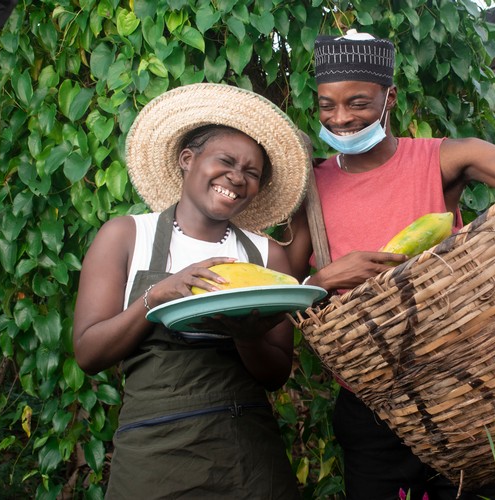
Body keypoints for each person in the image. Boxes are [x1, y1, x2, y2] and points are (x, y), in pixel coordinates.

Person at [283, 32, 495, 500]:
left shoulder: (443, 158)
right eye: (327, 105)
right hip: (371, 406)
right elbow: (286, 290)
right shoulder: (311, 188)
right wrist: (325, 278)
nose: (341, 118)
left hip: (459, 394)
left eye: (358, 103)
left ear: (390, 97)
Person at [73, 83, 310, 499]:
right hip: (153, 454)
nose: (237, 177)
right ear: (187, 159)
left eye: (252, 173)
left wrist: (246, 336)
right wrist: (156, 296)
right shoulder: (127, 236)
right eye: (226, 161)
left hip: (247, 456)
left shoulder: (265, 254)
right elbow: (89, 354)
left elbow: (275, 375)